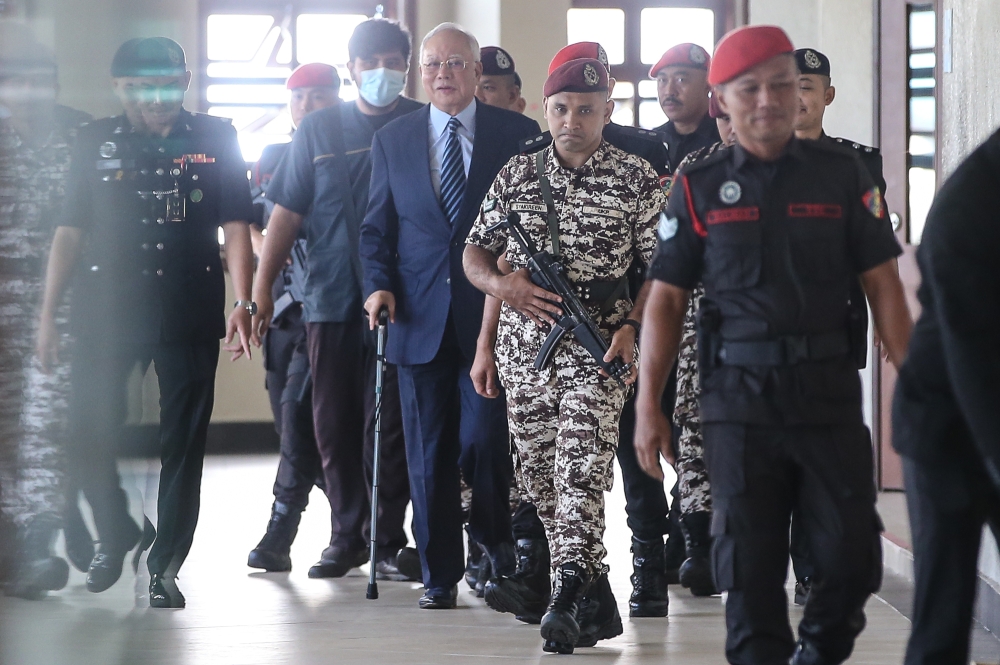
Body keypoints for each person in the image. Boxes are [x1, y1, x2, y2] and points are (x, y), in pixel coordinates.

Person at [635, 26, 912, 665]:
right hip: (738, 402)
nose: (769, 101)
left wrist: (917, 387)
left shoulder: (844, 175)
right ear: (722, 101)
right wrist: (649, 404)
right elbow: (666, 301)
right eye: (750, 88)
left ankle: (817, 652)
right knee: (751, 575)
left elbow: (883, 286)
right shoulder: (698, 185)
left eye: (782, 85)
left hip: (827, 394)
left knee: (850, 559)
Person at [37, 37, 256, 608]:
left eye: (166, 84)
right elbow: (70, 230)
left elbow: (235, 225)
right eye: (140, 87)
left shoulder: (216, 137)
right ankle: (118, 531)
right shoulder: (93, 141)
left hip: (186, 306)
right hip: (106, 309)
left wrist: (244, 301)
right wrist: (47, 317)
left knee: (182, 443)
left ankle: (165, 568)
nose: (155, 99)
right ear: (120, 88)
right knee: (86, 429)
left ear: (185, 81)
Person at [465, 57, 664, 653]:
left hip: (600, 347)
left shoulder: (636, 178)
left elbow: (665, 269)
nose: (571, 120)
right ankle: (594, 598)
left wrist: (633, 325)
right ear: (545, 111)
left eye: (585, 109)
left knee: (579, 468)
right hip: (523, 350)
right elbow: (478, 255)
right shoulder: (518, 173)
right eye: (561, 108)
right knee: (542, 480)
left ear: (607, 111)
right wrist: (499, 299)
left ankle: (567, 590)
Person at [359, 22, 539, 610]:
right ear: (421, 73)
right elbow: (375, 229)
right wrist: (378, 287)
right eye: (433, 65)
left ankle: (494, 552)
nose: (443, 74)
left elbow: (530, 225)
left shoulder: (517, 134)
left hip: (493, 316)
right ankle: (439, 574)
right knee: (428, 450)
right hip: (416, 316)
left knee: (487, 442)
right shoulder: (395, 139)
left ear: (476, 71)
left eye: (456, 64)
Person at [251, 19, 422, 582]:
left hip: (405, 301)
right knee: (332, 421)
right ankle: (346, 535)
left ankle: (387, 537)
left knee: (392, 424)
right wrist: (256, 296)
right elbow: (285, 216)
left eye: (391, 61)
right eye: (368, 63)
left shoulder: (423, 124)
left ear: (406, 63)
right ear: (351, 70)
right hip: (329, 298)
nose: (380, 72)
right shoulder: (319, 130)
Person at [892, 129, 1000, 665]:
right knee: (944, 613)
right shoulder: (973, 204)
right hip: (944, 427)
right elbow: (974, 360)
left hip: (987, 407)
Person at [790, 46, 888, 606]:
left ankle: (814, 569)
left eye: (809, 84)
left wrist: (881, 313)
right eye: (789, 83)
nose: (798, 95)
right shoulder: (753, 160)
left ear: (827, 95)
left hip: (835, 327)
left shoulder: (859, 164)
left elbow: (873, 250)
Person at [0, 31, 93, 599]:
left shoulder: (81, 137)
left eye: (41, 82)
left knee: (43, 431)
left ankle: (38, 547)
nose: (30, 93)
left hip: (58, 309)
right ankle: (14, 549)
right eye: (18, 82)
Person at [246, 63, 339, 573]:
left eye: (319, 96)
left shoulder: (345, 153)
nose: (307, 105)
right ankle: (364, 524)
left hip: (330, 310)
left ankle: (282, 529)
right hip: (284, 312)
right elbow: (256, 228)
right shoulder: (274, 157)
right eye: (299, 97)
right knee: (293, 427)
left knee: (303, 417)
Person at [660, 91, 736, 601]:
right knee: (693, 440)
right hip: (699, 332)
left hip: (770, 336)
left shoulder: (804, 167)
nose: (733, 127)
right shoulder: (698, 167)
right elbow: (671, 265)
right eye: (724, 118)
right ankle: (699, 549)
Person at [651, 43, 721, 174]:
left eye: (681, 80)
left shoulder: (726, 137)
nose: (669, 91)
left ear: (708, 84)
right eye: (662, 80)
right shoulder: (654, 142)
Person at [476, 46, 524, 113]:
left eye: (487, 88)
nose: (477, 96)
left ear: (512, 95)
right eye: (470, 86)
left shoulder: (527, 123)